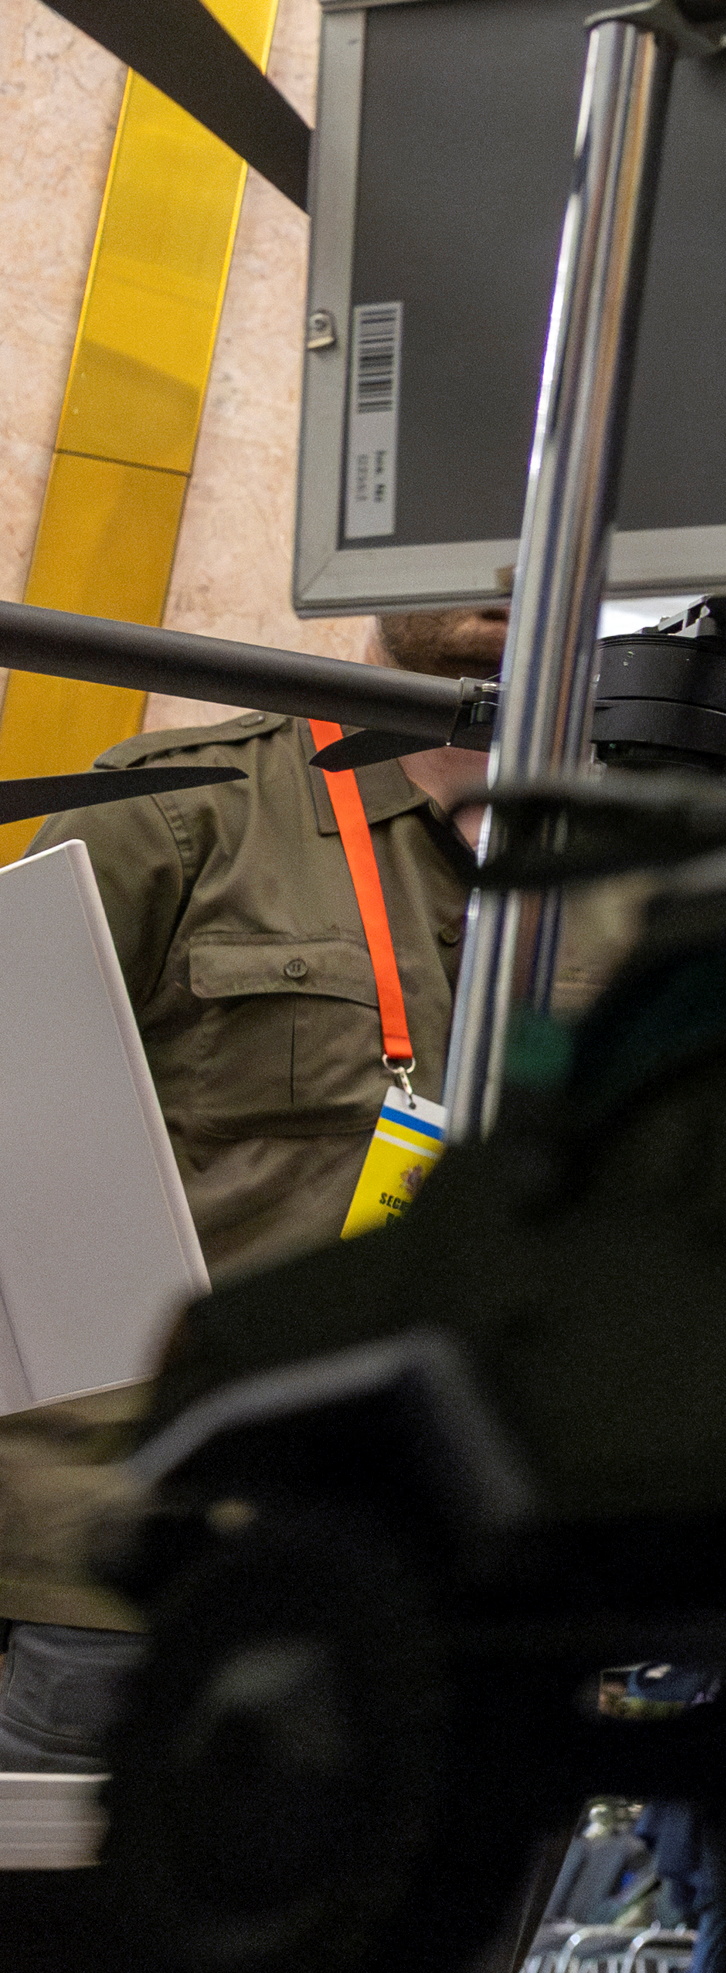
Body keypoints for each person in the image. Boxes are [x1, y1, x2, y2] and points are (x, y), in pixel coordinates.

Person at [0, 600, 507, 1770]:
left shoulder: (632, 873)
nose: (505, 561)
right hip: (139, 1589)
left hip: (457, 1609)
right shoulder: (179, 811)